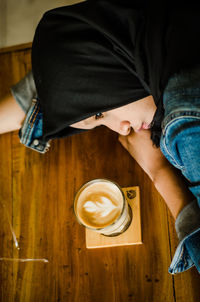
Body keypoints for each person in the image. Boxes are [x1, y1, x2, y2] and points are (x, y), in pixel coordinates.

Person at [1, 0, 200, 274]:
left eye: (99, 115)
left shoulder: (187, 126)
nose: (123, 129)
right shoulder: (158, 29)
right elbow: (64, 69)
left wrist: (159, 171)